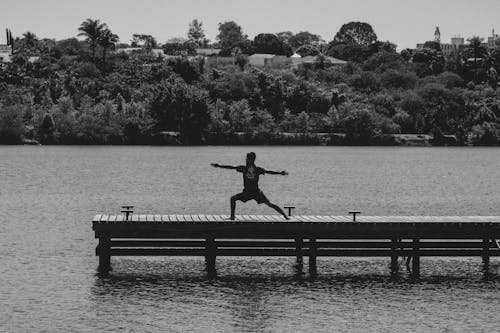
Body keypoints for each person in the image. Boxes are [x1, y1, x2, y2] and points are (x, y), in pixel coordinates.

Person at [211, 152, 289, 220]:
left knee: (269, 204)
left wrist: (280, 173)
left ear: (251, 159)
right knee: (233, 199)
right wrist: (219, 166)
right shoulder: (244, 168)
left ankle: (285, 216)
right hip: (247, 193)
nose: (245, 159)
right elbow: (231, 167)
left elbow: (269, 172)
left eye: (247, 158)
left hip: (256, 192)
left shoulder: (256, 169)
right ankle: (232, 217)